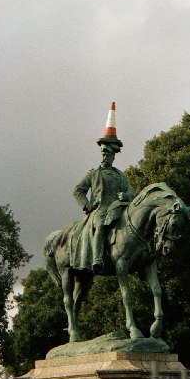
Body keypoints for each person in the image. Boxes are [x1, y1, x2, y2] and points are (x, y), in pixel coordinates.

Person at [73, 103, 135, 274]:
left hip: (119, 208)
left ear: (114, 155)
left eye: (108, 153)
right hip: (100, 209)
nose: (104, 155)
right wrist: (87, 205)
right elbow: (78, 190)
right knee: (100, 225)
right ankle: (97, 259)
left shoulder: (121, 175)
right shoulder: (93, 174)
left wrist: (126, 195)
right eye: (103, 152)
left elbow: (131, 190)